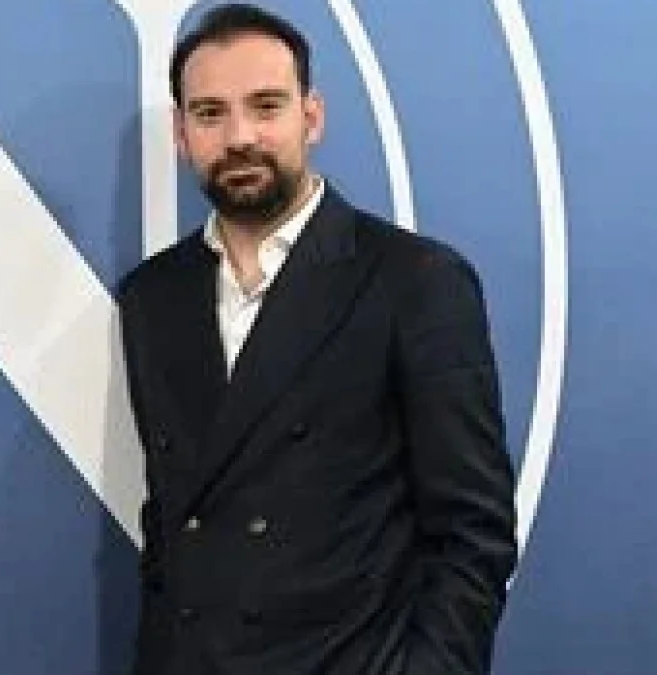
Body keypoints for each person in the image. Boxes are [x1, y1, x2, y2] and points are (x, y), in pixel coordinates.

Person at [114, 4, 519, 673]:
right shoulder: (152, 298)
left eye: (266, 106)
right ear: (182, 134)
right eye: (210, 113)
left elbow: (473, 532)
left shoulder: (414, 281)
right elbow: (171, 529)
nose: (240, 136)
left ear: (312, 116)